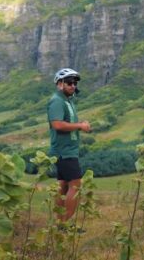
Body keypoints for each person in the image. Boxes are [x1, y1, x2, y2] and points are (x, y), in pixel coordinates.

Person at [47, 68, 92, 224]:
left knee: (63, 184)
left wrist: (80, 125)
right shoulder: (57, 101)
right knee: (76, 185)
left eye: (75, 82)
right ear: (60, 84)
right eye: (69, 83)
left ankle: (59, 223)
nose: (73, 86)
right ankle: (64, 225)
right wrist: (80, 126)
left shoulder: (68, 100)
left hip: (67, 150)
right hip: (64, 151)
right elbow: (57, 125)